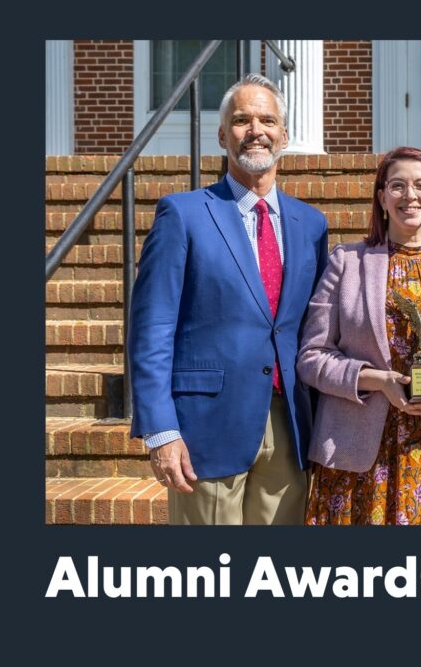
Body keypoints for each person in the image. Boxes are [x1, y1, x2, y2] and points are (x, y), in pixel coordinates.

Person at [128, 74, 329, 524]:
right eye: (241, 120)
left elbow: (316, 326)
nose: (255, 130)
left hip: (289, 421)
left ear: (285, 135)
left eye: (267, 120)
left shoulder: (310, 224)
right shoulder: (183, 213)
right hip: (206, 424)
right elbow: (152, 329)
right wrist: (161, 430)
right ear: (222, 135)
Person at [298, 146, 421, 525]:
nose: (410, 196)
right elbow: (312, 356)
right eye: (398, 185)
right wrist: (377, 380)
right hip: (358, 454)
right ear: (382, 197)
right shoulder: (346, 263)